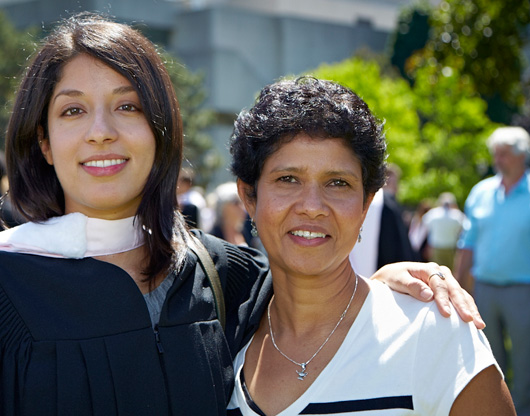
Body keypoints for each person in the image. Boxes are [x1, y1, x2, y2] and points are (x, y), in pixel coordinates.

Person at [0, 14, 482, 416]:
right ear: (41, 141)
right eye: (71, 112)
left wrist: (388, 284)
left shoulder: (224, 278)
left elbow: (322, 302)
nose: (101, 133)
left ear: (160, 131)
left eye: (128, 106)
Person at [227, 77, 513, 415]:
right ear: (249, 196)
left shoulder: (434, 333)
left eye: (338, 183)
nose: (312, 205)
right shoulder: (223, 338)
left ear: (366, 204)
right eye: (287, 179)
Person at [455, 126, 530, 416]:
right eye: (495, 154)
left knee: (524, 362)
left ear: (522, 155)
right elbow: (468, 243)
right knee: (487, 360)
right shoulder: (480, 192)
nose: (498, 159)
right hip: (484, 289)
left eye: (505, 154)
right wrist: (458, 285)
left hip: (523, 290)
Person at [422, 192, 465, 269]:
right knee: (450, 271)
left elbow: (425, 223)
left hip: (437, 247)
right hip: (450, 248)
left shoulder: (434, 214)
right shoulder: (456, 215)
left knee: (436, 270)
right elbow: (464, 226)